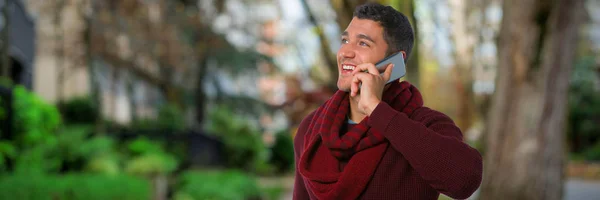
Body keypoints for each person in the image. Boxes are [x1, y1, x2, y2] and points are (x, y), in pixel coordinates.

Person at [293, 3, 483, 200]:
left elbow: (465, 182)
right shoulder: (312, 128)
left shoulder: (427, 124)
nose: (345, 52)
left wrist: (376, 110)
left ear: (394, 62)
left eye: (363, 43)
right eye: (345, 40)